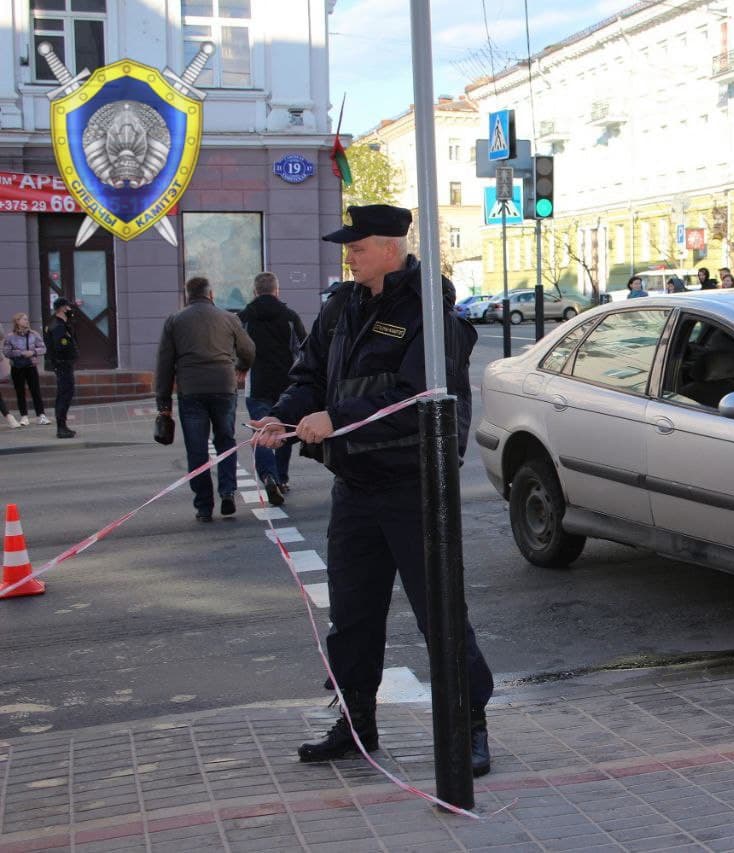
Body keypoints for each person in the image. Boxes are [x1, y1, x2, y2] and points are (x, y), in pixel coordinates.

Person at [249, 204, 495, 776]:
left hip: (416, 489)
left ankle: (469, 725)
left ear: (389, 247)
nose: (349, 257)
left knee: (441, 614)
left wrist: (336, 417)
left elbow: (419, 399)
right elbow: (308, 372)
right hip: (356, 486)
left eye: (357, 248)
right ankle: (357, 722)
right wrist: (282, 418)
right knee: (354, 616)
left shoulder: (432, 315)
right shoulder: (342, 306)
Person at [155, 277, 255, 522]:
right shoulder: (229, 318)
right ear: (211, 295)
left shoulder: (175, 321)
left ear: (188, 296)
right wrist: (241, 367)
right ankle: (228, 492)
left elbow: (164, 364)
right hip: (223, 385)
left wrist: (164, 404)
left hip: (191, 391)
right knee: (225, 441)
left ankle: (203, 505)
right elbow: (249, 349)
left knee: (197, 449)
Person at [238, 272, 307, 506]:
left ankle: (269, 476)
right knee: (282, 430)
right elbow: (303, 349)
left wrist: (241, 368)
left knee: (262, 433)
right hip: (286, 383)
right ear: (277, 291)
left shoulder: (244, 317)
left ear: (255, 291)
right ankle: (283, 477)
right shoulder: (289, 316)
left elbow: (238, 349)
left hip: (256, 385)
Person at [3, 313, 48, 426]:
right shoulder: (10, 336)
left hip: (31, 366)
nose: (27, 321)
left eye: (27, 319)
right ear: (17, 321)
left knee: (35, 391)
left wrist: (33, 352)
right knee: (20, 392)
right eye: (24, 319)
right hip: (17, 367)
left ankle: (41, 415)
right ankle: (24, 416)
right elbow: (6, 352)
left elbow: (43, 348)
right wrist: (21, 353)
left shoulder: (34, 334)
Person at [47, 298, 79, 439]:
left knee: (66, 394)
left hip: (64, 364)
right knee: (64, 395)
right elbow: (60, 346)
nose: (70, 309)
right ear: (62, 308)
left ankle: (63, 426)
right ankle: (61, 428)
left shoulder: (61, 324)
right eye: (68, 307)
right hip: (62, 364)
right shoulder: (58, 326)